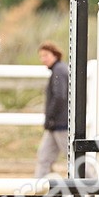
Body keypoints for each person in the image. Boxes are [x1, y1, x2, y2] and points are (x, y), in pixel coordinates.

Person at [35, 41, 69, 178]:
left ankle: (91, 183)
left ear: (55, 55)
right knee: (44, 156)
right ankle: (39, 185)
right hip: (56, 123)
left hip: (60, 123)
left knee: (72, 157)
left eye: (46, 55)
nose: (43, 59)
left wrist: (50, 117)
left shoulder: (58, 71)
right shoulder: (59, 69)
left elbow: (60, 96)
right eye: (41, 56)